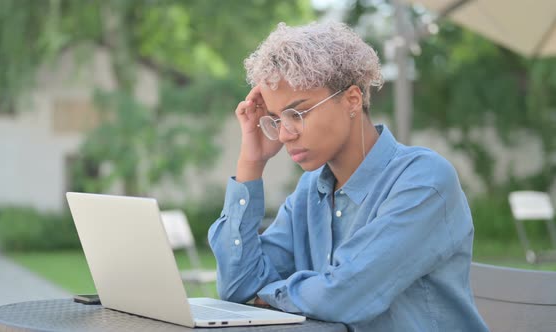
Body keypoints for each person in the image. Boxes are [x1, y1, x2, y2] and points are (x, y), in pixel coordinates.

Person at [207, 21, 488, 331]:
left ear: (353, 100)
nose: (284, 134)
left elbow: (344, 295)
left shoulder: (423, 181)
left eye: (297, 114)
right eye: (275, 119)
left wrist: (270, 294)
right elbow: (238, 285)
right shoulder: (310, 191)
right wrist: (251, 163)